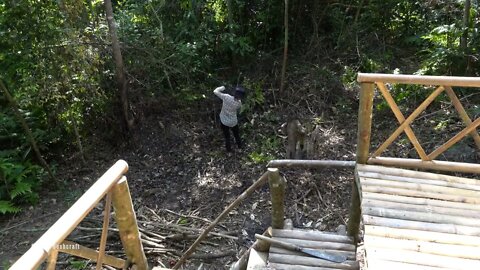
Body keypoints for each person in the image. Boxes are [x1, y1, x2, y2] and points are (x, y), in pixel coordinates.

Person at [213, 85, 245, 152]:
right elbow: (239, 109)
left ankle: (229, 152)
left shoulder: (226, 97)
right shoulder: (239, 103)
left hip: (224, 121)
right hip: (233, 122)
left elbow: (215, 91)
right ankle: (240, 149)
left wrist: (221, 88)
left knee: (227, 137)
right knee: (236, 135)